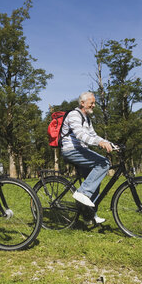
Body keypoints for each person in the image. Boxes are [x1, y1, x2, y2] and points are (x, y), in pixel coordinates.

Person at [60, 91, 113, 224]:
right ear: (82, 103)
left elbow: (94, 135)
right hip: (71, 150)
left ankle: (89, 215)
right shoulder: (74, 115)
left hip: (81, 149)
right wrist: (100, 143)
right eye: (92, 102)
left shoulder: (86, 118)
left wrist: (111, 144)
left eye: (94, 103)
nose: (94, 105)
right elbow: (80, 135)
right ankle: (82, 193)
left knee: (95, 181)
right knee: (104, 163)